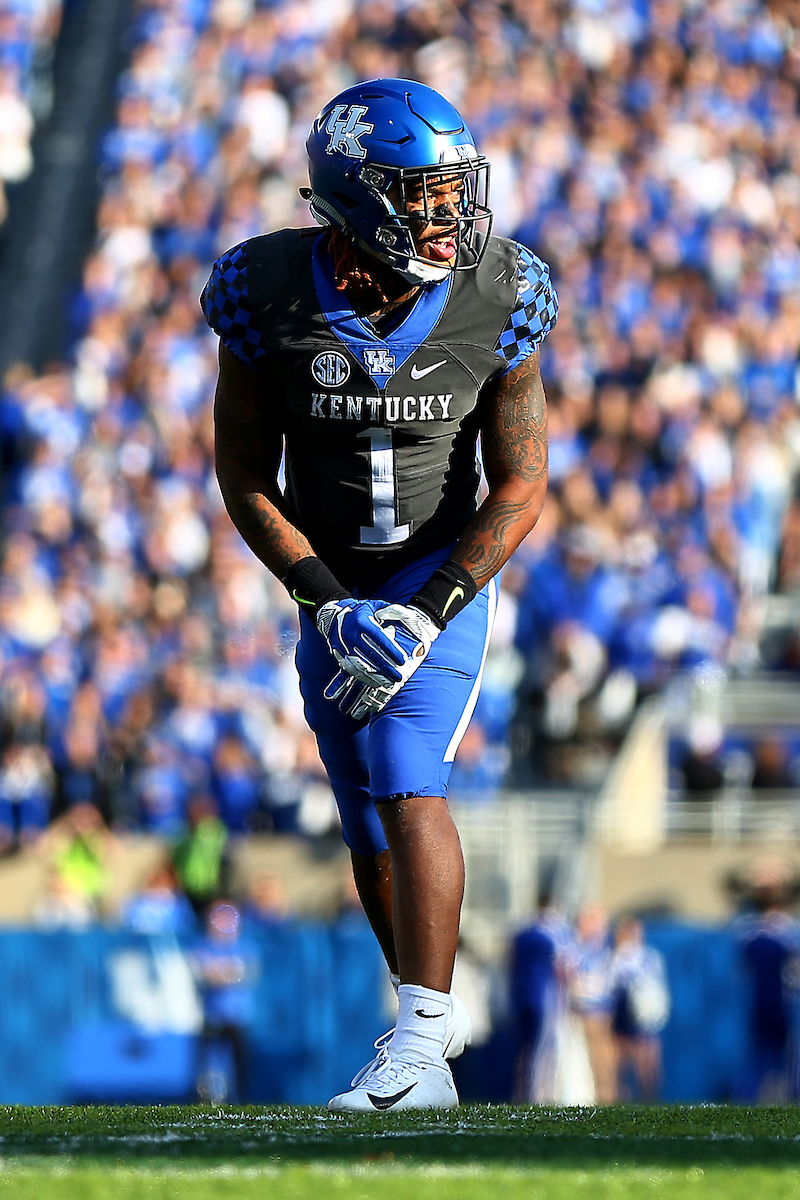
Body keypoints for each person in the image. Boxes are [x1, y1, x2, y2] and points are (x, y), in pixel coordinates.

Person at [204, 78, 556, 1111]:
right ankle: (419, 1032)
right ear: (356, 199)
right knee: (362, 808)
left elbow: (522, 480)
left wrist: (431, 602)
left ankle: (419, 1040)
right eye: (423, 195)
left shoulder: (504, 289)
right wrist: (323, 600)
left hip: (438, 569)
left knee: (408, 776)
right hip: (331, 578)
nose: (450, 216)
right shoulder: (262, 289)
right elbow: (243, 475)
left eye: (454, 192)